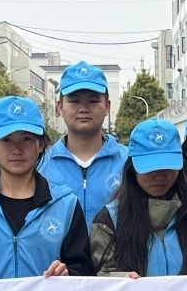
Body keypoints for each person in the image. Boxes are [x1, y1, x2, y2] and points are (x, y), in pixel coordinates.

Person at [0, 95, 92, 279]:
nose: (16, 149)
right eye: (6, 139)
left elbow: (84, 273)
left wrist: (68, 273)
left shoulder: (65, 205)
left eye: (26, 139)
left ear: (41, 144)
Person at [90, 118, 187, 277]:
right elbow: (102, 276)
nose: (159, 176)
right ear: (132, 168)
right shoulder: (109, 220)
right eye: (150, 168)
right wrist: (121, 280)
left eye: (167, 166)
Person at [39, 61, 129, 225]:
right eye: (74, 101)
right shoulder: (40, 165)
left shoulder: (129, 162)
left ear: (107, 106)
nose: (84, 109)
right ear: (60, 107)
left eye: (93, 101)